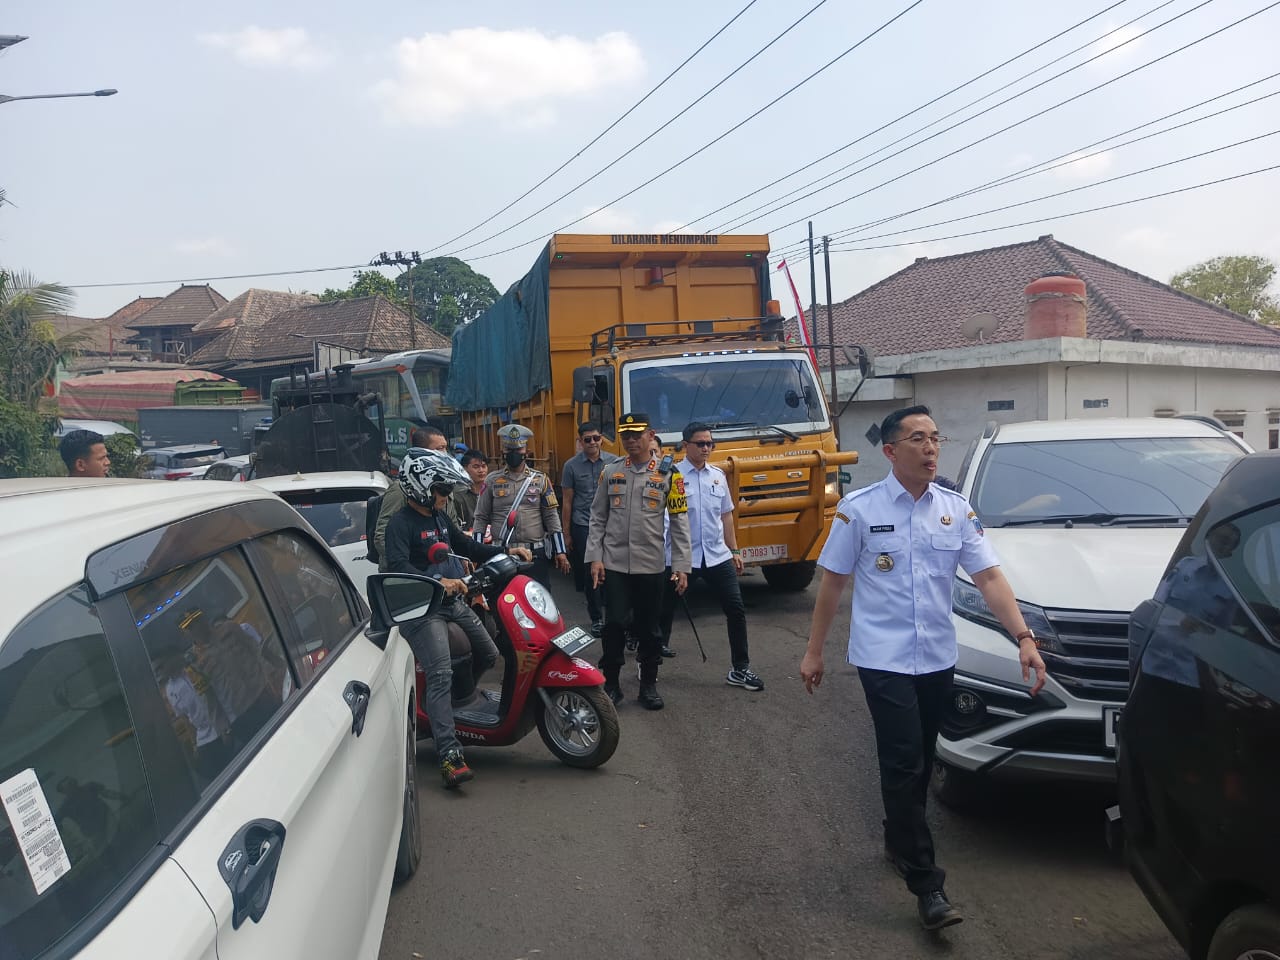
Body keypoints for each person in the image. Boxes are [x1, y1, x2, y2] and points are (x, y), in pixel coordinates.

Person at [800, 404, 1047, 932]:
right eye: (917, 438)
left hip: (937, 657)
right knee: (905, 759)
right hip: (882, 658)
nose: (931, 447)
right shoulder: (858, 509)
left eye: (935, 437)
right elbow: (833, 584)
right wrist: (814, 650)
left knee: (919, 754)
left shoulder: (955, 510)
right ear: (891, 451)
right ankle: (926, 884)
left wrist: (1023, 637)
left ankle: (898, 839)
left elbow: (990, 580)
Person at [383, 448, 532, 788]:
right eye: (441, 489)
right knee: (440, 674)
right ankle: (449, 754)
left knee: (489, 653)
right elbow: (398, 566)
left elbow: (466, 545)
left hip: (450, 600)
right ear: (420, 487)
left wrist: (507, 551)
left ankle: (450, 709)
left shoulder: (438, 517)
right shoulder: (400, 524)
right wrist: (438, 580)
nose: (446, 495)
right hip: (421, 609)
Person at [585, 412, 691, 710]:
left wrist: (682, 565)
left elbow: (680, 521)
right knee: (615, 624)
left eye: (637, 434)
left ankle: (648, 685)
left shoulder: (670, 474)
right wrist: (595, 557)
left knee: (649, 628)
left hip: (651, 565)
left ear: (650, 435)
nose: (631, 440)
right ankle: (613, 683)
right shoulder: (612, 471)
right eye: (626, 436)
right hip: (615, 564)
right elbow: (598, 517)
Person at [663, 422, 763, 691]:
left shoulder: (717, 476)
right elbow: (663, 521)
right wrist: (669, 557)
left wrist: (735, 550)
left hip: (717, 556)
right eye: (701, 443)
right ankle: (649, 662)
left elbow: (726, 515)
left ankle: (740, 668)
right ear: (686, 446)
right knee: (663, 611)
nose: (706, 448)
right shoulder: (671, 477)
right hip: (684, 558)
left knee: (736, 609)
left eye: (710, 443)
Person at [472, 424, 569, 587]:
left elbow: (551, 517)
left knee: (539, 604)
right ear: (503, 452)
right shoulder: (492, 480)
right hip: (502, 552)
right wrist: (477, 552)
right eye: (509, 450)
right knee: (504, 602)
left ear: (526, 452)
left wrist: (560, 551)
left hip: (534, 554)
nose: (513, 454)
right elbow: (480, 518)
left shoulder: (541, 480)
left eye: (518, 450)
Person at [560, 421, 619, 636]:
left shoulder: (615, 463)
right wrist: (566, 534)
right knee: (590, 573)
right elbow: (567, 501)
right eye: (588, 439)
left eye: (596, 438)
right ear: (580, 441)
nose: (593, 442)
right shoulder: (571, 466)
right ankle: (596, 619)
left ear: (601, 439)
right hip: (583, 524)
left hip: (611, 524)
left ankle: (615, 616)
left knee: (614, 570)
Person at [374, 425, 448, 568]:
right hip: (412, 581)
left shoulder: (442, 484)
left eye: (445, 448)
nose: (445, 454)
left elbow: (450, 530)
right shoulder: (402, 488)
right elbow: (382, 536)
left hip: (442, 570)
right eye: (439, 449)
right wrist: (413, 566)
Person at [449, 448, 489, 532]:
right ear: (464, 469)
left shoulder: (492, 491)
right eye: (476, 467)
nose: (481, 471)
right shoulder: (456, 494)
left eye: (483, 466)